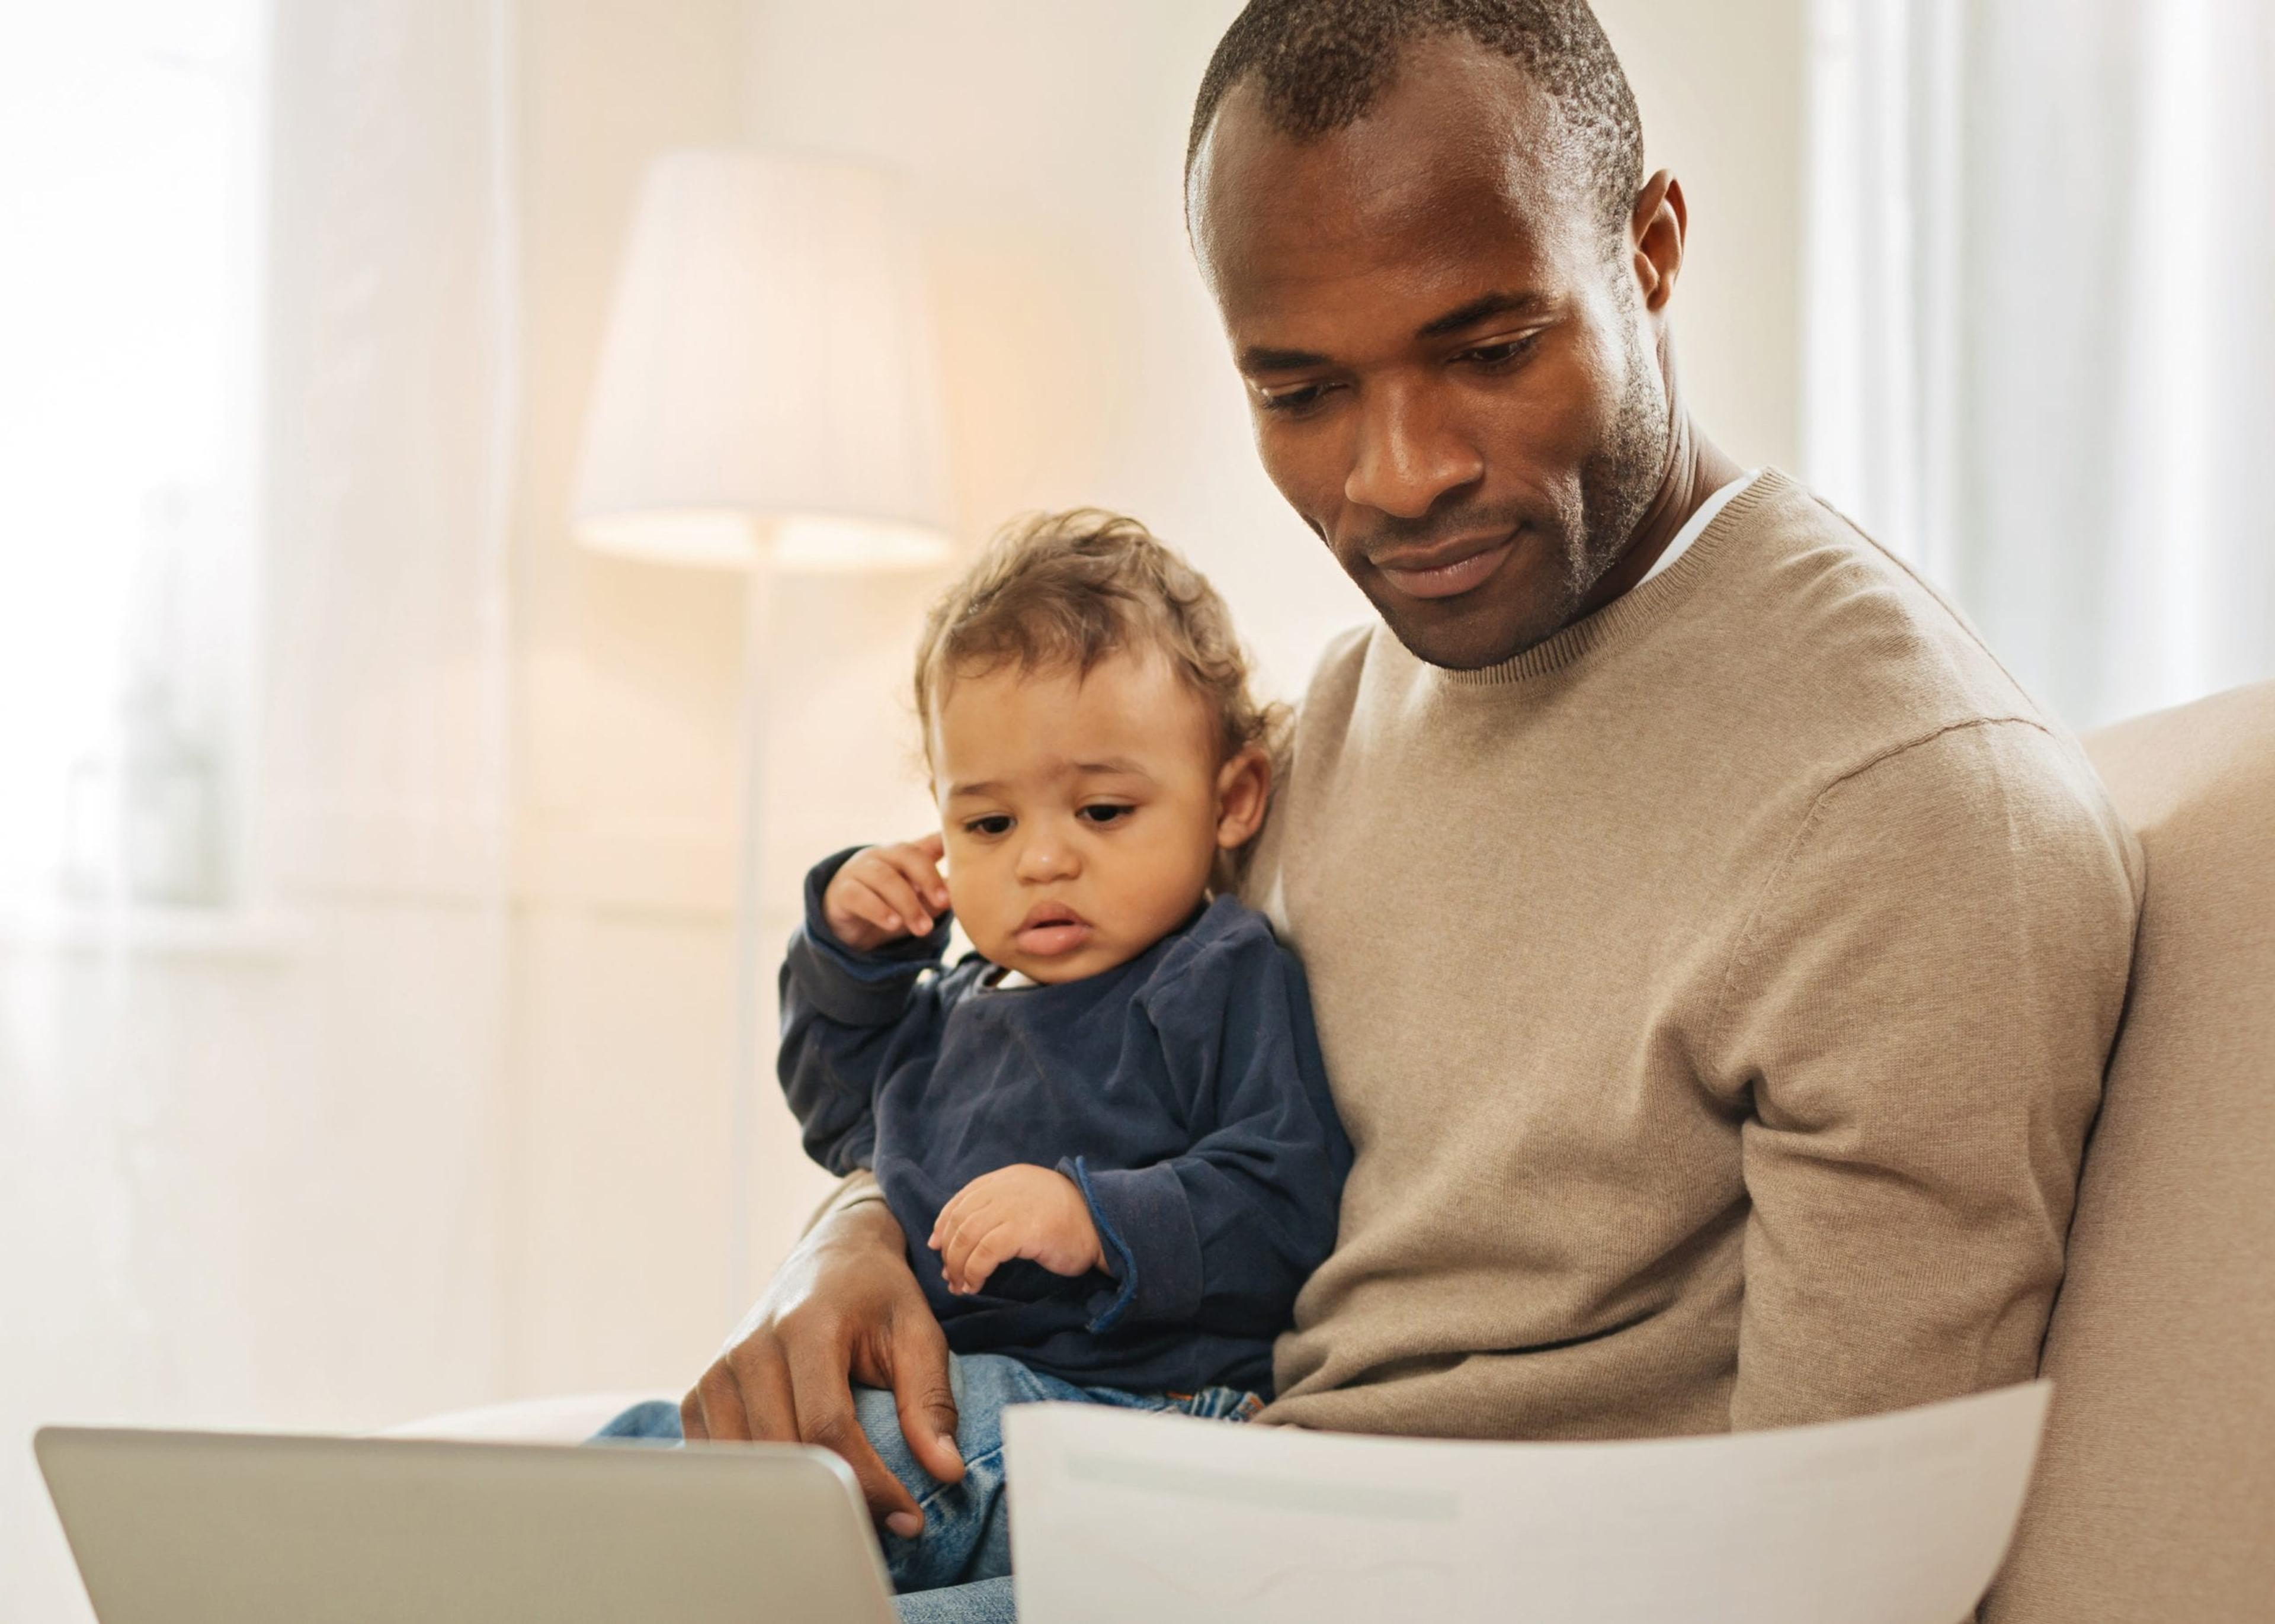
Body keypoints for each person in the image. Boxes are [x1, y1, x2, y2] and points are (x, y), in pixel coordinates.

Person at [674, 4, 2142, 1620]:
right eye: (1300, 388)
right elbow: (1090, 1056)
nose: (1397, 474)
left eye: (1491, 348)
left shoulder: (1910, 807)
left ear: (1650, 251)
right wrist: (858, 1235)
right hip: (1181, 1506)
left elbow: (1834, 1571)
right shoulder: (1346, 714)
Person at [603, 510, 1350, 1602]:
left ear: (1232, 800)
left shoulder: (1215, 972)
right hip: (964, 1395)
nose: (1044, 858)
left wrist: (1093, 1220)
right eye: (989, 824)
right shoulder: (952, 1001)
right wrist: (851, 953)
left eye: (1102, 809)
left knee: (829, 1473)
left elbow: (1288, 1198)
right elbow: (837, 1112)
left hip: (1135, 1410)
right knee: (655, 1439)